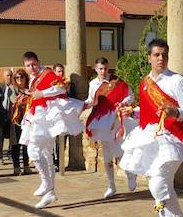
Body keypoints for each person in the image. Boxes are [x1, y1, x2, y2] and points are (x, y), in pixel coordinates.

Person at [119, 39, 183, 217]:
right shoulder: (145, 82)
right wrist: (133, 111)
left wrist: (175, 111)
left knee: (158, 185)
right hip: (152, 136)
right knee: (159, 188)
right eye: (156, 55)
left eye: (164, 54)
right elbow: (149, 113)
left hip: (174, 139)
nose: (161, 58)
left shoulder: (177, 81)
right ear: (149, 57)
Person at [20, 53, 84, 208]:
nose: (31, 68)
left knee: (35, 150)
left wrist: (42, 93)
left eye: (34, 64)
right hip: (38, 115)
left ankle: (46, 185)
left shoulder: (47, 73)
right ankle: (50, 192)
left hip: (46, 115)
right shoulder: (33, 79)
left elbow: (60, 88)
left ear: (38, 62)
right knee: (43, 153)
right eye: (28, 66)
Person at [84, 57, 137, 199]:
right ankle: (111, 185)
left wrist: (122, 102)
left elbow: (130, 96)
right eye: (100, 69)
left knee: (119, 150)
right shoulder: (93, 84)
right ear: (95, 69)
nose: (103, 71)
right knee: (107, 155)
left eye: (105, 68)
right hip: (100, 121)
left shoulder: (116, 82)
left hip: (115, 119)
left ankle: (130, 174)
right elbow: (91, 100)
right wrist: (80, 105)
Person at [8, 69, 32, 176]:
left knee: (26, 143)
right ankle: (16, 167)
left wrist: (28, 94)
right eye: (17, 77)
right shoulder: (12, 88)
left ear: (25, 78)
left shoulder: (30, 89)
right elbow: (15, 100)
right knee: (15, 144)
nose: (19, 79)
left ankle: (26, 166)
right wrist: (26, 95)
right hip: (16, 120)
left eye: (21, 77)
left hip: (27, 119)